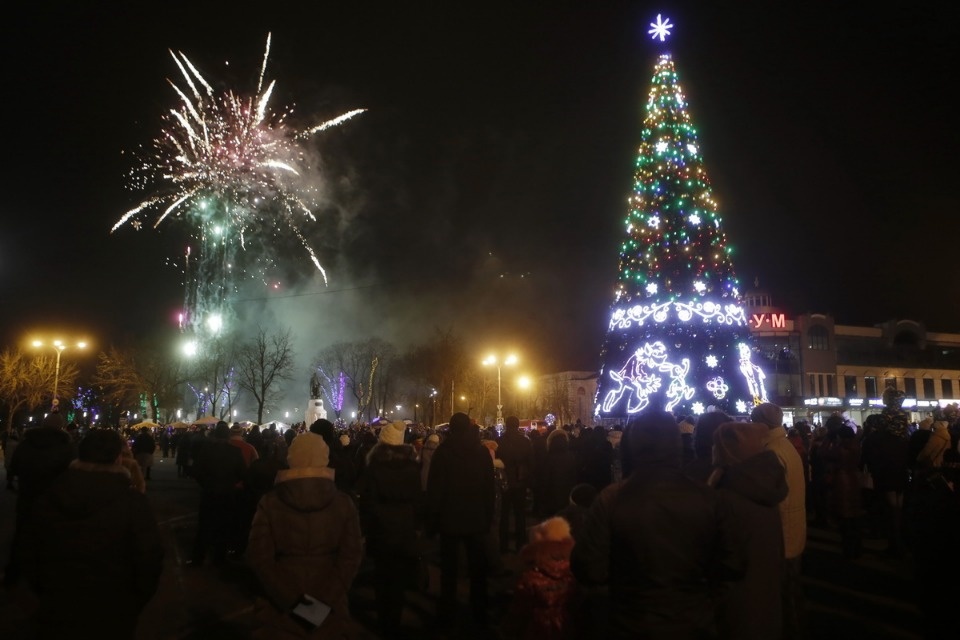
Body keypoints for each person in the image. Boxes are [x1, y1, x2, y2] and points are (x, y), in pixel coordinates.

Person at [571, 409, 744, 639]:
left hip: (630, 623)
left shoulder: (611, 499)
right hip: (694, 624)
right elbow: (734, 564)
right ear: (677, 445)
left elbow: (588, 567)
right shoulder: (708, 498)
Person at [22, 428, 164, 639]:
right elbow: (149, 559)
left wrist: (44, 590)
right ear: (118, 458)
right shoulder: (133, 503)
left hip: (56, 602)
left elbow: (29, 549)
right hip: (113, 606)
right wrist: (133, 601)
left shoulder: (51, 494)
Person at [246, 431, 364, 639]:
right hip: (329, 608)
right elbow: (351, 556)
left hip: (280, 608)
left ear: (291, 459)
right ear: (325, 458)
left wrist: (296, 605)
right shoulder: (344, 503)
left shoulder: (270, 502)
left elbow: (259, 557)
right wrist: (320, 606)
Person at [708, 421, 788, 640]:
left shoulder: (728, 495)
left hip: (736, 605)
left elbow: (728, 559)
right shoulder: (764, 484)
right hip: (767, 598)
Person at [426, 412, 496, 632]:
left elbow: (435, 490)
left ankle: (447, 615)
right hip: (476, 518)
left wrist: (432, 522)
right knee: (478, 570)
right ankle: (479, 612)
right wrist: (488, 516)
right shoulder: (482, 452)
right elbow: (489, 488)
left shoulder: (443, 452)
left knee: (449, 571)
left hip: (450, 519)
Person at [358, 419, 423, 638]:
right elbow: (417, 500)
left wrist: (365, 527)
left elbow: (366, 501)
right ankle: (394, 621)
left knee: (381, 576)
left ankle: (384, 620)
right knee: (398, 578)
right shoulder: (412, 466)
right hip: (404, 529)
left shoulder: (374, 466)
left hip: (380, 529)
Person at [751, 402, 808, 640]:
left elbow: (767, 495)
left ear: (762, 425)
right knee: (792, 590)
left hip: (782, 531)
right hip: (794, 528)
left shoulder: (771, 452)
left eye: (754, 422)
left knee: (784, 595)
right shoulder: (784, 445)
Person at [3, 413, 77, 587]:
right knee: (49, 538)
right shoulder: (66, 447)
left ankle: (13, 574)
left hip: (27, 495)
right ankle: (42, 578)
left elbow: (14, 467)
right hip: (54, 500)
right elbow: (72, 473)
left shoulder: (26, 444)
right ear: (60, 427)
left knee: (21, 535)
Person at [501, 516, 579, 640]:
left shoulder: (531, 579)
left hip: (536, 631)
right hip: (568, 629)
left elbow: (518, 613)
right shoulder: (574, 575)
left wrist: (506, 632)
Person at [187, 421, 246, 567]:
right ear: (228, 436)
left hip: (209, 493)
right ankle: (219, 559)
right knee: (224, 527)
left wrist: (206, 483)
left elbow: (196, 471)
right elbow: (243, 473)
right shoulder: (235, 452)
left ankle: (198, 558)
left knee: (204, 527)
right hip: (228, 494)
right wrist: (231, 482)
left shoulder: (206, 450)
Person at [497, 416, 533, 553]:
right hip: (520, 481)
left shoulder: (500, 441)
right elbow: (531, 462)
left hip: (504, 482)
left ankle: (503, 545)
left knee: (504, 514)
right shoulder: (525, 441)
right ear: (518, 426)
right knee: (520, 515)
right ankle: (520, 543)